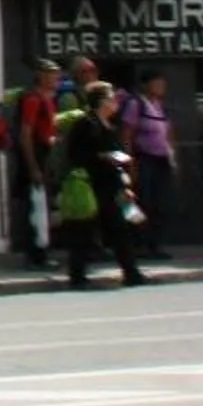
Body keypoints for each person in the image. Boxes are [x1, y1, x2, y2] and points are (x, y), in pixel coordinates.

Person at [56, 78, 145, 289]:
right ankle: (77, 277)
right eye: (111, 98)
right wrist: (102, 156)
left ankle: (132, 272)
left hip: (114, 186)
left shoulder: (109, 126)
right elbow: (76, 154)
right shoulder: (86, 124)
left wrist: (126, 182)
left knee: (124, 227)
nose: (115, 102)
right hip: (91, 184)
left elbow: (117, 156)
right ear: (101, 101)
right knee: (84, 232)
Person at [4, 57, 62, 267]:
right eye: (52, 74)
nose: (56, 78)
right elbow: (26, 133)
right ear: (41, 76)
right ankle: (35, 254)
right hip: (35, 156)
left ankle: (41, 251)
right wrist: (33, 167)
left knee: (43, 207)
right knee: (35, 207)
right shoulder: (33, 99)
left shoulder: (49, 99)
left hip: (45, 155)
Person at [121, 73, 177, 260]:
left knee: (160, 204)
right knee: (141, 202)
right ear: (146, 84)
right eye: (157, 82)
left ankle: (155, 245)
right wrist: (130, 162)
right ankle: (137, 243)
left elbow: (168, 134)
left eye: (163, 83)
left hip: (161, 160)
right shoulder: (136, 104)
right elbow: (127, 134)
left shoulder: (161, 106)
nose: (161, 86)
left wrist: (173, 158)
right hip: (143, 159)